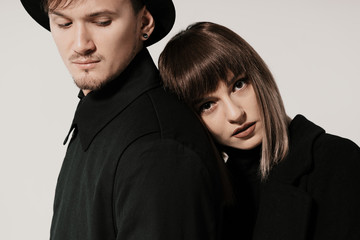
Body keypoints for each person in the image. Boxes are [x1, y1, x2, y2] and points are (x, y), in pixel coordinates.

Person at [20, 1, 232, 239]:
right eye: (64, 23)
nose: (80, 45)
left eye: (102, 22)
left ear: (144, 23)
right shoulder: (98, 120)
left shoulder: (157, 150)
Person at [159, 21, 360, 240]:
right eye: (207, 105)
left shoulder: (336, 159)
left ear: (259, 77)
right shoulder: (209, 198)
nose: (235, 114)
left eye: (238, 85)